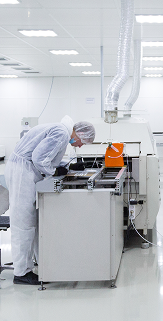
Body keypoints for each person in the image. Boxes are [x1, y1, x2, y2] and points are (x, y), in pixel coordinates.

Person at [6, 116, 96, 285]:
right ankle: (21, 273)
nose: (81, 146)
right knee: (23, 223)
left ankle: (40, 263)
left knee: (34, 221)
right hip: (22, 174)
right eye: (83, 142)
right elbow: (40, 159)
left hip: (26, 171)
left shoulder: (61, 131)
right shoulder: (62, 133)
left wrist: (68, 166)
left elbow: (48, 157)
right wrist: (55, 172)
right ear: (79, 135)